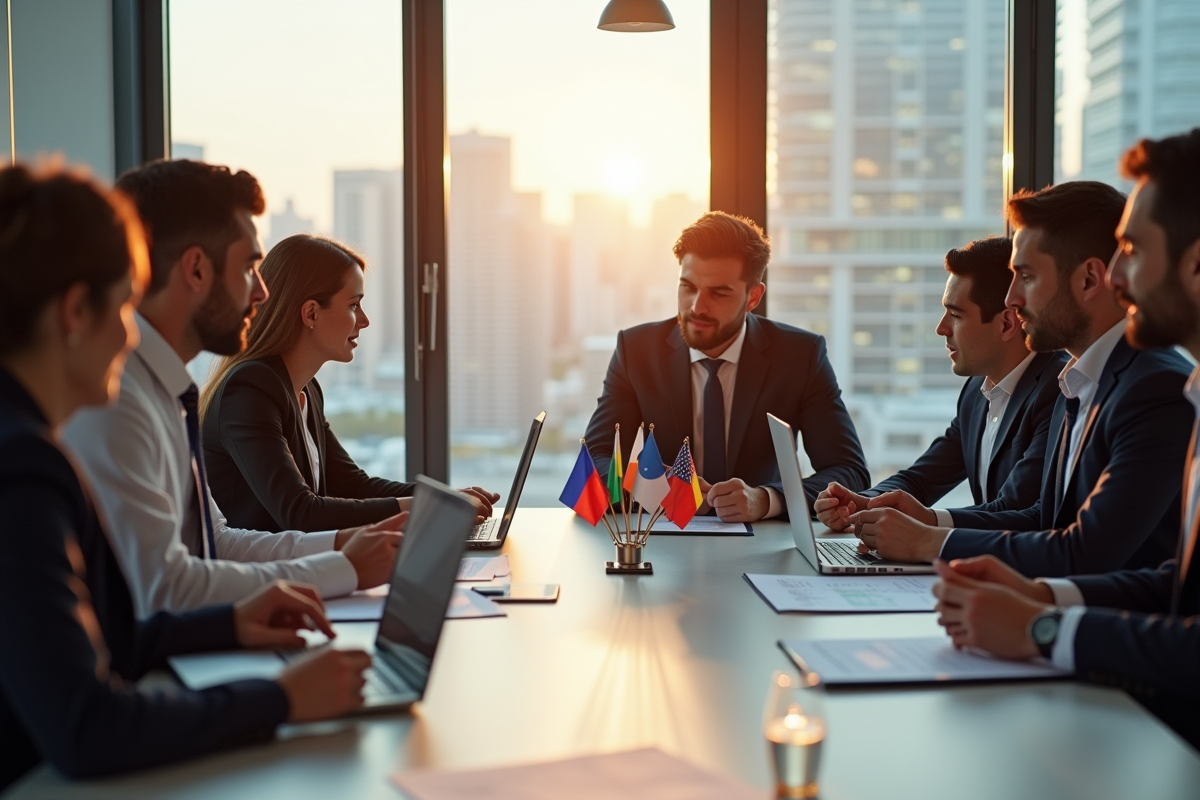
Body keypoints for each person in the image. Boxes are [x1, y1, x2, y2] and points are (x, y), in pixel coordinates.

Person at [0, 164, 371, 791]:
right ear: (74, 313)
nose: (129, 334)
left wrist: (229, 624)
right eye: (123, 303)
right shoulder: (24, 467)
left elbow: (108, 631)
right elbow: (85, 726)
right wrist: (279, 698)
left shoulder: (36, 443)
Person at [932, 128, 1200, 749]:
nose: (1118, 274)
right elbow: (1177, 585)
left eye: (1132, 250)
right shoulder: (1103, 382)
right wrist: (1037, 594)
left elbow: (1100, 553)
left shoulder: (1158, 386)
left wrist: (1043, 628)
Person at [63, 160, 403, 617]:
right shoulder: (118, 401)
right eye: (249, 268)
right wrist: (343, 567)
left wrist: (346, 548)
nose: (261, 292)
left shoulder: (166, 394)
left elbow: (215, 542)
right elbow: (165, 590)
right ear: (197, 270)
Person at [846, 181, 1194, 577]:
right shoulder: (1078, 381)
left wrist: (929, 541)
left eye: (1025, 277)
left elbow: (1087, 552)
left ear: (1088, 280)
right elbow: (1041, 520)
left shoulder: (1155, 388)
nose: (1012, 298)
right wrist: (928, 522)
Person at [198, 233, 497, 532]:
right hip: (260, 576)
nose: (364, 320)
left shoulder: (306, 389)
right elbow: (301, 512)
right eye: (354, 305)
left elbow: (352, 485)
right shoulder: (249, 390)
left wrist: (444, 497)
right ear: (311, 313)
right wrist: (429, 506)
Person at [584, 211, 868, 523]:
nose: (697, 307)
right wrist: (652, 486)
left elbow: (849, 471)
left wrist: (767, 499)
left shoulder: (800, 356)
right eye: (688, 287)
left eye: (718, 293)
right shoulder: (636, 350)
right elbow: (595, 459)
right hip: (657, 543)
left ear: (753, 297)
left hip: (761, 548)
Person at [814, 237, 1066, 531]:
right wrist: (863, 503)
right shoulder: (977, 390)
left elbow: (1018, 510)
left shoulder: (1058, 389)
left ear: (1008, 324)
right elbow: (921, 479)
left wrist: (928, 524)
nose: (941, 328)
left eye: (956, 315)